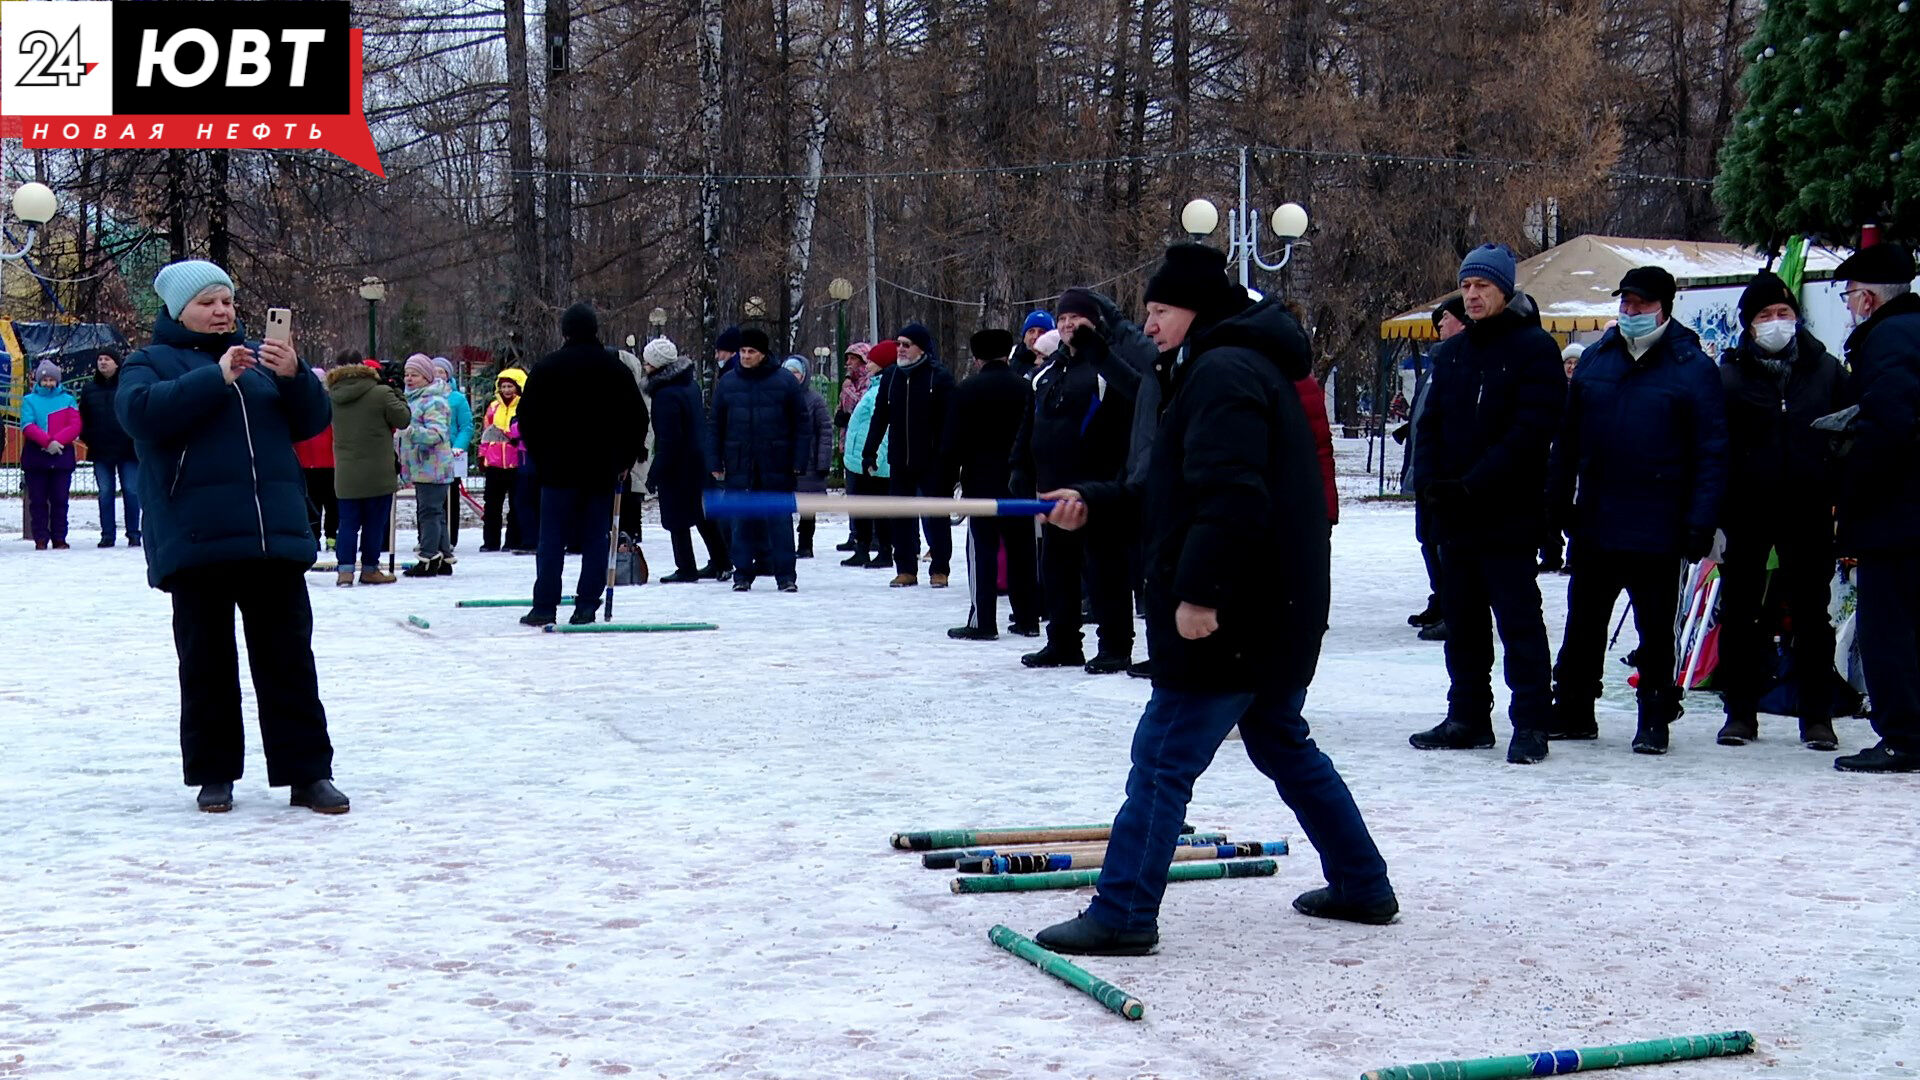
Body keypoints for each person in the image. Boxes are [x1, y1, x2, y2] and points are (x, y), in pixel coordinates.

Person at [1031, 244, 1394, 955]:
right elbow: (1174, 492)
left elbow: (1231, 499)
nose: (1151, 323)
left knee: (1164, 755)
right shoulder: (1221, 367)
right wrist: (1093, 501)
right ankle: (1362, 881)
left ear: (1196, 309)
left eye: (1161, 310)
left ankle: (1124, 911)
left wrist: (1200, 596)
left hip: (1234, 613)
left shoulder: (1223, 371)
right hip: (1274, 610)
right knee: (1282, 743)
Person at [117, 258, 348, 814]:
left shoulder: (264, 362)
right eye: (207, 303)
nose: (221, 312)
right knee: (206, 663)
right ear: (178, 310)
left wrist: (294, 376)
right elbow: (140, 416)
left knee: (289, 661)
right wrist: (214, 377)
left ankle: (307, 774)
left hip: (272, 538)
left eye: (226, 301)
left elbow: (310, 423)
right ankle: (214, 774)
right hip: (197, 539)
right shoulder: (148, 362)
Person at [1547, 266, 1727, 756]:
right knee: (1583, 624)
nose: (1630, 312)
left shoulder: (1692, 366)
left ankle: (1654, 716)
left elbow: (1712, 451)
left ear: (1664, 308)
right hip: (1598, 518)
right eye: (1625, 303)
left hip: (1660, 523)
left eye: (1641, 304)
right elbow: (1567, 441)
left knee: (1654, 630)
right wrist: (1558, 504)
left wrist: (1700, 521)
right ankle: (1574, 709)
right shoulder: (1597, 359)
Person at [1409, 244, 1565, 765]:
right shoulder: (1451, 353)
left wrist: (1474, 483)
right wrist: (1432, 485)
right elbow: (1428, 426)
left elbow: (1530, 432)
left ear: (1505, 290)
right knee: (1464, 621)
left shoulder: (1534, 349)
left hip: (1508, 512)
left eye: (1483, 287)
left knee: (1518, 624)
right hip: (1454, 515)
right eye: (1467, 287)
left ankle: (1531, 723)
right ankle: (1468, 716)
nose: (1472, 296)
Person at [1715, 270, 1848, 751]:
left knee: (1812, 615)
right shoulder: (1729, 375)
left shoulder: (1827, 370)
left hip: (1809, 508)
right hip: (1747, 510)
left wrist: (1837, 491)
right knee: (1743, 614)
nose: (1776, 323)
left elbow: (1848, 436)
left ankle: (1817, 716)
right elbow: (1716, 446)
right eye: (1765, 316)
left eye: (1784, 314)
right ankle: (1740, 713)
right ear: (1748, 325)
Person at [1012, 289, 1142, 673]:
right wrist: (1020, 468)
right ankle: (1063, 641)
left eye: (1077, 318)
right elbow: (1029, 425)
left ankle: (1115, 645)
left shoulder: (1109, 367)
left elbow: (1128, 421)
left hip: (1098, 488)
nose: (1068, 325)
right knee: (1057, 570)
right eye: (1063, 319)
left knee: (1105, 571)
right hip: (1051, 489)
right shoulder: (1045, 372)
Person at [1829, 243, 1920, 773]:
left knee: (1889, 627)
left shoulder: (1886, 341)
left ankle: (1903, 735)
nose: (1848, 307)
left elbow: (1886, 428)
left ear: (1866, 297)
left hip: (1896, 514)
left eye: (1849, 297)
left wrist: (1850, 491)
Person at [516, 303, 648, 625]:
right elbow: (637, 418)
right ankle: (587, 603)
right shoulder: (614, 369)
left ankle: (545, 605)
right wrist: (625, 459)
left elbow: (527, 417)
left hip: (557, 469)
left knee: (551, 539)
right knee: (595, 538)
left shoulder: (548, 367)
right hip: (601, 469)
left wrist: (540, 456)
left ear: (565, 331)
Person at [945, 328, 1041, 641]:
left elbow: (953, 442)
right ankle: (1028, 617)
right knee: (1022, 550)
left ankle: (983, 620)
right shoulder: (1026, 387)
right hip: (1020, 481)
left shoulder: (968, 389)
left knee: (982, 550)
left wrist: (948, 483)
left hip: (980, 480)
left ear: (977, 358)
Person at [710, 328, 808, 592]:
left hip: (776, 461)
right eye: (742, 351)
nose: (745, 356)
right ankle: (742, 574)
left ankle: (785, 575)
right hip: (740, 462)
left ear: (763, 354)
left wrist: (799, 460)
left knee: (779, 522)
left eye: (751, 351)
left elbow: (801, 423)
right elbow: (716, 425)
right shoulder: (728, 383)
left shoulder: (785, 381)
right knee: (740, 522)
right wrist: (715, 461)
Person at [864, 323, 956, 588]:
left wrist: (947, 459)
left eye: (907, 345)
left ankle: (940, 568)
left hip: (932, 460)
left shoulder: (938, 377)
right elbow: (880, 416)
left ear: (921, 348)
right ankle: (905, 568)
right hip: (900, 459)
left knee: (936, 516)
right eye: (899, 344)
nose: (901, 349)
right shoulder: (891, 376)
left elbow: (950, 422)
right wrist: (869, 451)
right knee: (901, 516)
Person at [1401, 299, 1466, 639]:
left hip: (1444, 475)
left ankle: (1454, 607)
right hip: (1424, 469)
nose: (1440, 323)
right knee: (1428, 539)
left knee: (1444, 543)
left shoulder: (1459, 362)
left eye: (1447, 318)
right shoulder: (1438, 361)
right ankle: (1441, 598)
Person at [326, 349, 408, 586]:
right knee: (374, 523)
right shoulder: (381, 392)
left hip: (346, 472)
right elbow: (402, 419)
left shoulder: (332, 395)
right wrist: (397, 391)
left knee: (348, 523)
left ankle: (345, 571)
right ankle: (370, 569)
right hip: (378, 471)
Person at [644, 337, 719, 583]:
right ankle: (721, 560)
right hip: (696, 459)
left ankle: (685, 566)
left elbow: (669, 438)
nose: (645, 366)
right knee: (700, 515)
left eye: (647, 362)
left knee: (676, 517)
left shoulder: (665, 394)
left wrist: (655, 472)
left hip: (677, 464)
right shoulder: (690, 386)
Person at [400, 354, 458, 577]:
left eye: (414, 374)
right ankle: (443, 556)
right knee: (435, 512)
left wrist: (410, 432)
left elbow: (437, 434)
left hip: (433, 467)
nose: (409, 378)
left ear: (426, 376)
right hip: (422, 466)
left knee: (428, 513)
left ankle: (428, 557)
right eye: (407, 374)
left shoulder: (434, 401)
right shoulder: (414, 398)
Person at [841, 341, 897, 569]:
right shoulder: (874, 388)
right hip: (862, 459)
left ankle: (884, 551)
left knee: (878, 508)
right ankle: (862, 548)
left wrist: (877, 457)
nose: (867, 364)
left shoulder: (882, 389)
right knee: (863, 507)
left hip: (874, 462)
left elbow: (883, 427)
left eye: (872, 360)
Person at [80, 348, 141, 548]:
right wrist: (89, 437)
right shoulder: (89, 389)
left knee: (131, 491)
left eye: (107, 359)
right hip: (100, 449)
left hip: (127, 448)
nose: (103, 362)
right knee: (105, 492)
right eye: (100, 359)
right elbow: (83, 418)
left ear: (116, 363)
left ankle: (134, 533)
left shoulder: (127, 386)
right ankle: (107, 535)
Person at [1536, 342, 1588, 576]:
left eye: (1576, 364)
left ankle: (1573, 558)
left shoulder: (1585, 390)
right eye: (1569, 363)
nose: (1572, 367)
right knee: (1549, 508)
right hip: (1550, 455)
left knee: (1575, 511)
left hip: (1574, 458)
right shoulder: (1553, 390)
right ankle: (1550, 555)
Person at [21, 360, 79, 550]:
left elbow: (75, 425)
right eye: (44, 379)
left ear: (57, 381)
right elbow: (28, 425)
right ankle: (40, 537)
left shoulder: (68, 400)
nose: (47, 383)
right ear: (38, 381)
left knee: (60, 500)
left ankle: (59, 537)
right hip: (36, 456)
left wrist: (57, 442)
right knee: (37, 500)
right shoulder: (29, 400)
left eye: (51, 379)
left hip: (61, 455)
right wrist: (47, 442)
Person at [784, 356, 836, 558]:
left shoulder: (815, 400)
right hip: (785, 459)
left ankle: (805, 544)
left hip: (809, 462)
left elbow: (825, 431)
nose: (792, 376)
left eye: (796, 372)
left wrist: (823, 461)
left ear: (804, 375)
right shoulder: (778, 398)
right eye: (788, 372)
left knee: (807, 506)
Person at [478, 368, 527, 551]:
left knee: (516, 505)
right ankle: (490, 541)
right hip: (495, 462)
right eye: (503, 386)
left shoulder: (523, 406)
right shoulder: (493, 407)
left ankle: (513, 540)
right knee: (492, 505)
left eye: (510, 386)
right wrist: (483, 455)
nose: (506, 390)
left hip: (515, 463)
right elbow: (486, 434)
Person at [833, 342, 873, 553]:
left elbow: (861, 406)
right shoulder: (848, 383)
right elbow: (842, 409)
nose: (848, 363)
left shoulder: (868, 383)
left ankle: (870, 534)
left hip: (865, 445)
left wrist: (848, 390)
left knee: (867, 491)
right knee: (853, 491)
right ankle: (854, 532)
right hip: (849, 442)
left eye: (853, 359)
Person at [431, 357, 474, 552]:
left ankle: (450, 537)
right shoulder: (425, 397)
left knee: (450, 497)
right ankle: (428, 537)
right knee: (428, 497)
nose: (438, 375)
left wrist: (459, 446)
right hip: (429, 454)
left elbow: (466, 426)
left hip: (450, 453)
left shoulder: (457, 399)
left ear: (448, 375)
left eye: (441, 372)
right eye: (434, 371)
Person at [293, 368, 336, 551]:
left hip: (327, 463)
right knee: (314, 504)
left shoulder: (328, 405)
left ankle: (330, 537)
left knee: (330, 503)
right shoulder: (299, 406)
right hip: (308, 464)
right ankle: (316, 536)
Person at [1011, 310, 1055, 379]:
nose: (1035, 336)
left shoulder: (1059, 363)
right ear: (1024, 337)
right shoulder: (1012, 361)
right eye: (1031, 331)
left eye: (1042, 332)